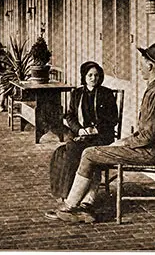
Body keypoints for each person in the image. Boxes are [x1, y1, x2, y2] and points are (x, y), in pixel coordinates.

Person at [52, 42, 155, 223]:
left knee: (89, 153)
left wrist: (123, 142)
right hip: (146, 147)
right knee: (90, 152)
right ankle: (86, 204)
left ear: (150, 66)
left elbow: (148, 136)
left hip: (149, 152)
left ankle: (71, 206)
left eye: (142, 64)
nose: (140, 68)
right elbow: (146, 132)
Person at [45, 61, 118, 220]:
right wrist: (80, 129)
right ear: (84, 77)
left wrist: (96, 129)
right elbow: (69, 116)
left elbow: (113, 119)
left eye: (97, 75)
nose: (94, 78)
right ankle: (70, 196)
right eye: (90, 75)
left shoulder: (106, 94)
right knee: (61, 152)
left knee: (77, 150)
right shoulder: (77, 94)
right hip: (82, 135)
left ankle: (72, 200)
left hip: (101, 136)